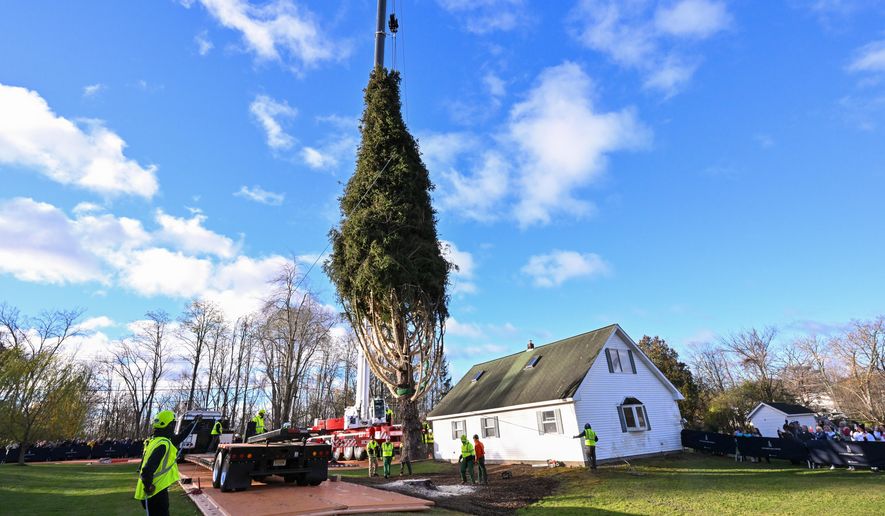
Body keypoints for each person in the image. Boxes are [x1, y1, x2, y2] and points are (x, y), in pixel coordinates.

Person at [135, 410, 200, 516]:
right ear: (169, 425)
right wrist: (148, 486)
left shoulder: (156, 440)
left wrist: (193, 423)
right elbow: (146, 470)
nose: (174, 427)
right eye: (173, 424)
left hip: (157, 489)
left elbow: (180, 437)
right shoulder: (163, 444)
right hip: (155, 491)